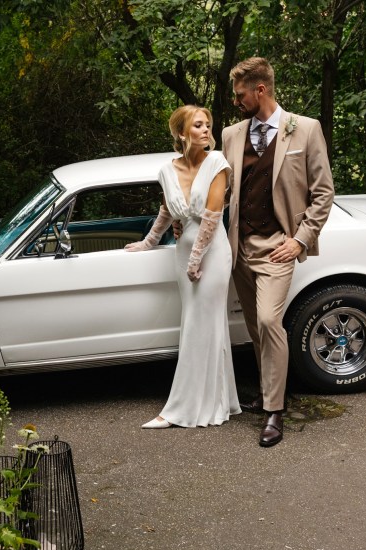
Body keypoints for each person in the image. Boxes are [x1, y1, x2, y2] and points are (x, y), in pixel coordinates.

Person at [222, 57, 334, 447]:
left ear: (260, 90)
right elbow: (223, 191)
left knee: (270, 321)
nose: (236, 101)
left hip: (278, 248)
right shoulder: (231, 135)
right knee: (255, 327)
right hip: (240, 249)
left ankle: (275, 410)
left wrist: (300, 239)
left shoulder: (305, 128)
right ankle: (265, 392)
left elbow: (323, 193)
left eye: (240, 94)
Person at [124, 105, 240, 429]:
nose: (206, 130)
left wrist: (195, 259)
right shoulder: (166, 170)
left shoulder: (217, 163)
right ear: (181, 133)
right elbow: (167, 210)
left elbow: (212, 216)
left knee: (201, 326)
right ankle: (219, 401)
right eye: (198, 125)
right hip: (184, 254)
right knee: (196, 323)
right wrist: (149, 241)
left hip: (212, 255)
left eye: (207, 125)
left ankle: (179, 409)